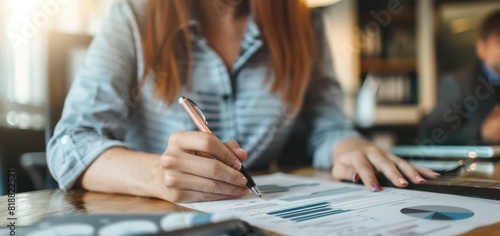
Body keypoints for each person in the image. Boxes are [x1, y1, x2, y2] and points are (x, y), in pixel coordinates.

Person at [47, 0, 437, 203]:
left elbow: (326, 124)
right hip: (163, 225)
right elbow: (70, 144)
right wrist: (158, 176)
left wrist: (346, 142)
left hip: (271, 219)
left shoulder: (307, 25)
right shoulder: (133, 17)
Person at [420, 10, 500, 145]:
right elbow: (430, 135)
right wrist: (481, 132)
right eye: (499, 43)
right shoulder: (457, 83)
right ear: (481, 48)